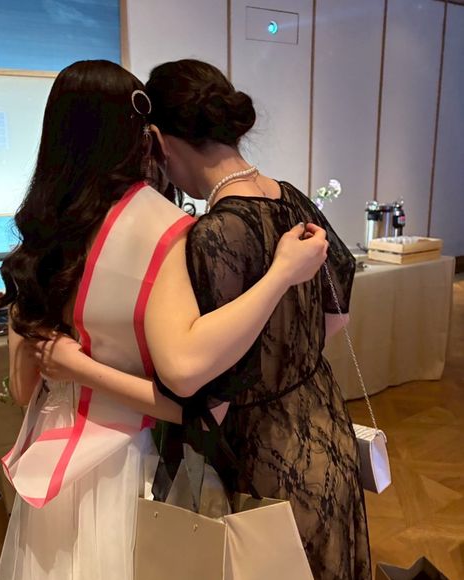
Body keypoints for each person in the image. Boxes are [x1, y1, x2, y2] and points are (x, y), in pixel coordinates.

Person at [0, 59, 328, 580]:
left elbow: (21, 391)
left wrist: (68, 366)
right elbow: (188, 400)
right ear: (141, 135)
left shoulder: (40, 239)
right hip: (132, 460)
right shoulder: (168, 229)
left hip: (52, 463)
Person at [141, 59, 371, 580]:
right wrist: (291, 355)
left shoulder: (214, 233)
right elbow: (338, 310)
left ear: (160, 141)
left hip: (265, 453)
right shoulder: (293, 199)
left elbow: (206, 377)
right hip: (326, 425)